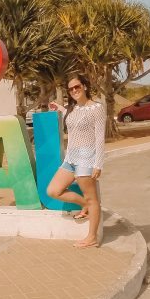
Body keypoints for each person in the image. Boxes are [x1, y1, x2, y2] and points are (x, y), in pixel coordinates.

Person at [46, 74, 105, 248]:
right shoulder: (72, 109)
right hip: (70, 158)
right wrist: (59, 108)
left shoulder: (97, 108)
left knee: (92, 199)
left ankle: (92, 237)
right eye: (70, 89)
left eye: (77, 87)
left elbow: (100, 137)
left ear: (85, 86)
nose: (74, 91)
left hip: (87, 158)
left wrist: (98, 164)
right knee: (53, 190)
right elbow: (74, 121)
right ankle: (84, 205)